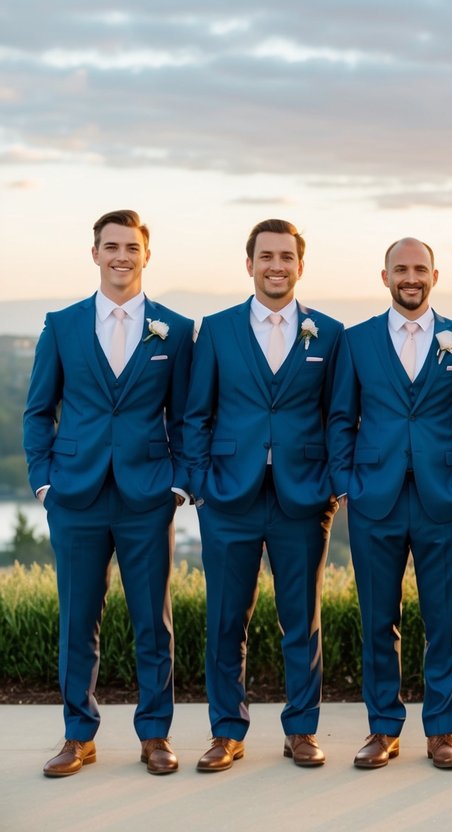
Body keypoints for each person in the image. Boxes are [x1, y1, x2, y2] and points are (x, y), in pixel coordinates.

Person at [24, 209, 192, 777]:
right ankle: (78, 735)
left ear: (147, 255)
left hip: (147, 495)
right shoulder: (63, 324)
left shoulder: (176, 327)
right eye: (111, 246)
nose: (122, 256)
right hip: (75, 495)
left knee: (153, 621)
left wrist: (178, 482)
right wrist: (44, 480)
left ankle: (155, 735)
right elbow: (38, 410)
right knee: (78, 620)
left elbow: (189, 414)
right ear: (94, 253)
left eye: (132, 247)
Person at [184, 218, 343, 771]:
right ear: (248, 263)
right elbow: (195, 413)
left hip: (303, 498)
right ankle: (227, 730)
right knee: (227, 619)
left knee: (301, 620)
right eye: (266, 256)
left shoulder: (329, 333)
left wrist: (332, 485)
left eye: (287, 257)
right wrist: (202, 484)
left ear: (301, 265)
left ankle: (301, 729)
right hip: (229, 497)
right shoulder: (219, 330)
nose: (277, 266)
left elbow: (338, 415)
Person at [328, 237, 452, 769]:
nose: (410, 277)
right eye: (400, 269)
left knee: (444, 622)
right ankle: (383, 728)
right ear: (385, 276)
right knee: (377, 620)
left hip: (443, 497)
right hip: (375, 498)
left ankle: (441, 731)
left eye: (419, 269)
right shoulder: (357, 341)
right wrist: (347, 483)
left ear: (434, 276)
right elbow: (341, 418)